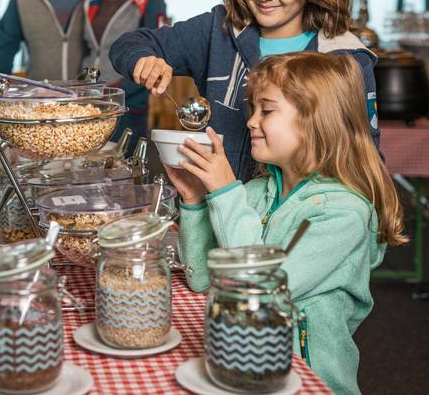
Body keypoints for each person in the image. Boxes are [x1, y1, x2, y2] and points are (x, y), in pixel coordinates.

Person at [167, 52, 406, 395]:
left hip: (310, 381)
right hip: (246, 366)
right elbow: (203, 278)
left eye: (266, 110)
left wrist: (225, 191)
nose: (251, 121)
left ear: (315, 121)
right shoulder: (256, 192)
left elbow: (258, 291)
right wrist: (194, 200)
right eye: (253, 108)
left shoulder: (343, 214)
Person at [110, 0, 380, 182]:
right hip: (209, 204)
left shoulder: (343, 59)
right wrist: (142, 59)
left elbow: (364, 163)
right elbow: (129, 43)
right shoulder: (217, 30)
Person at [83, 0, 167, 142]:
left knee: (121, 163)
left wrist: (116, 92)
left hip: (127, 106)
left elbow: (157, 48)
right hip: (89, 105)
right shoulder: (92, 0)